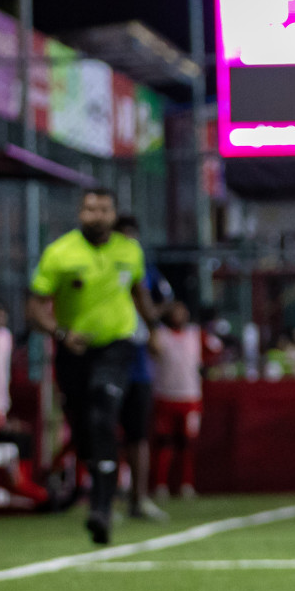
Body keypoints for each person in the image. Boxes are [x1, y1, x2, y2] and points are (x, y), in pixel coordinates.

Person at [27, 188, 162, 544]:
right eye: (90, 209)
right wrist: (59, 332)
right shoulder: (60, 253)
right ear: (80, 213)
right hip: (73, 351)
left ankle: (101, 508)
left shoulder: (129, 251)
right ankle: (100, 491)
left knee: (104, 411)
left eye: (104, 209)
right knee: (84, 429)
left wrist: (153, 327)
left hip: (118, 346)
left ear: (114, 214)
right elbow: (36, 306)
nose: (97, 215)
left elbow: (138, 292)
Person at [114, 215, 173, 520]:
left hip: (137, 362)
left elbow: (164, 301)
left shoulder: (145, 270)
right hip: (105, 357)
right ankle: (105, 500)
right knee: (103, 433)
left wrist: (153, 326)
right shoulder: (103, 270)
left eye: (132, 238)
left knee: (138, 433)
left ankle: (139, 499)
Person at [151, 300, 203, 499]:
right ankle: (160, 485)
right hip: (165, 396)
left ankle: (186, 485)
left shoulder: (195, 335)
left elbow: (214, 351)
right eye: (175, 311)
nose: (179, 315)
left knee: (187, 445)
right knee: (164, 444)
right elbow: (152, 349)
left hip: (190, 397)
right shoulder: (159, 335)